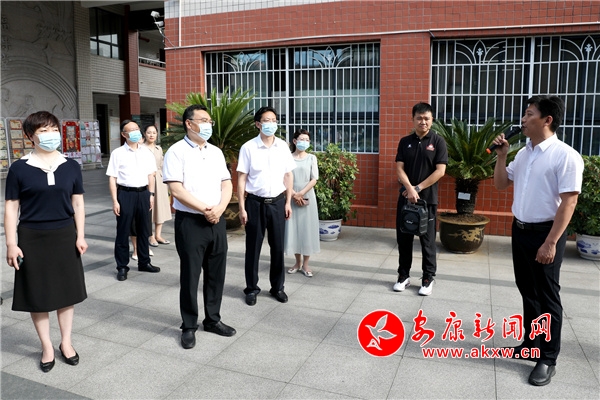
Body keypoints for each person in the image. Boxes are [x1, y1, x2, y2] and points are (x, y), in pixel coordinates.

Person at [492, 95, 583, 386]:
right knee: (527, 290)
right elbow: (500, 184)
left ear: (547, 120)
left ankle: (548, 358)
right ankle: (531, 344)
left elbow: (569, 202)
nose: (523, 119)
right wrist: (502, 156)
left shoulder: (565, 156)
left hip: (546, 234)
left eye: (529, 113)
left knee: (547, 296)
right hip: (520, 230)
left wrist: (551, 242)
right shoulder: (523, 154)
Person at [4, 111, 87, 372]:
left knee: (66, 292)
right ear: (30, 136)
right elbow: (11, 208)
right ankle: (47, 346)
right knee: (37, 294)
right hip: (32, 237)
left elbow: (78, 203)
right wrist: (11, 243)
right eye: (43, 131)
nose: (50, 135)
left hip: (64, 234)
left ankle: (66, 342)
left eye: (53, 130)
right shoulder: (19, 168)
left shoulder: (71, 166)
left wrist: (80, 235)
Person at [163, 104, 236, 348]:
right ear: (189, 123)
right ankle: (189, 325)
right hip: (191, 222)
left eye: (209, 121)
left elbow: (227, 183)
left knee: (216, 274)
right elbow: (176, 190)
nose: (208, 125)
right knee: (191, 276)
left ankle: (213, 319)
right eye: (203, 120)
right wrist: (206, 209)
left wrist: (220, 209)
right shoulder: (176, 152)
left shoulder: (215, 152)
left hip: (216, 220)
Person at [237, 106, 296, 306]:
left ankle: (277, 287)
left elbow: (288, 175)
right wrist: (242, 207)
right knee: (253, 248)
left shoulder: (283, 146)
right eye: (266, 120)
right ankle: (251, 288)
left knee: (278, 248)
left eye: (274, 120)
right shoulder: (248, 148)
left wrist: (288, 202)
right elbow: (241, 178)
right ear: (258, 124)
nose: (271, 124)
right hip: (255, 203)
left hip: (278, 203)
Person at [394, 102, 447, 296]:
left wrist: (418, 188)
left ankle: (427, 278)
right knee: (404, 240)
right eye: (419, 118)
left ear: (432, 120)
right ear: (413, 119)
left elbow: (440, 171)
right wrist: (409, 188)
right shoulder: (405, 141)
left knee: (428, 242)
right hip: (406, 199)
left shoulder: (438, 142)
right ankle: (403, 276)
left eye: (426, 118)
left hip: (427, 201)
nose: (423, 122)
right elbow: (399, 168)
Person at [106, 119, 160, 281]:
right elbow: (112, 178)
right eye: (132, 130)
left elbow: (151, 175)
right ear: (124, 134)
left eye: (137, 128)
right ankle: (122, 266)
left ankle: (144, 262)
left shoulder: (146, 152)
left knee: (144, 229)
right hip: (125, 194)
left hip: (143, 193)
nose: (136, 132)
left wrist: (151, 195)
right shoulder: (117, 153)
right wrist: (115, 201)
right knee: (123, 231)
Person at [285, 129, 320, 277]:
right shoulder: (287, 157)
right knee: (294, 229)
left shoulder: (312, 158)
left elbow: (314, 179)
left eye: (307, 140)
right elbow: (284, 178)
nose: (304, 142)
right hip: (291, 197)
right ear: (294, 141)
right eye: (301, 139)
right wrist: (294, 194)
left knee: (307, 229)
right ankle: (297, 262)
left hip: (307, 196)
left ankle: (306, 264)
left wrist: (301, 193)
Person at [142, 124, 172, 246]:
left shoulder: (159, 149)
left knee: (160, 208)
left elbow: (163, 166)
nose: (152, 135)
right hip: (146, 180)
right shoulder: (140, 148)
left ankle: (158, 235)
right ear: (144, 134)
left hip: (160, 180)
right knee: (149, 209)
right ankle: (150, 236)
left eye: (154, 133)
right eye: (149, 132)